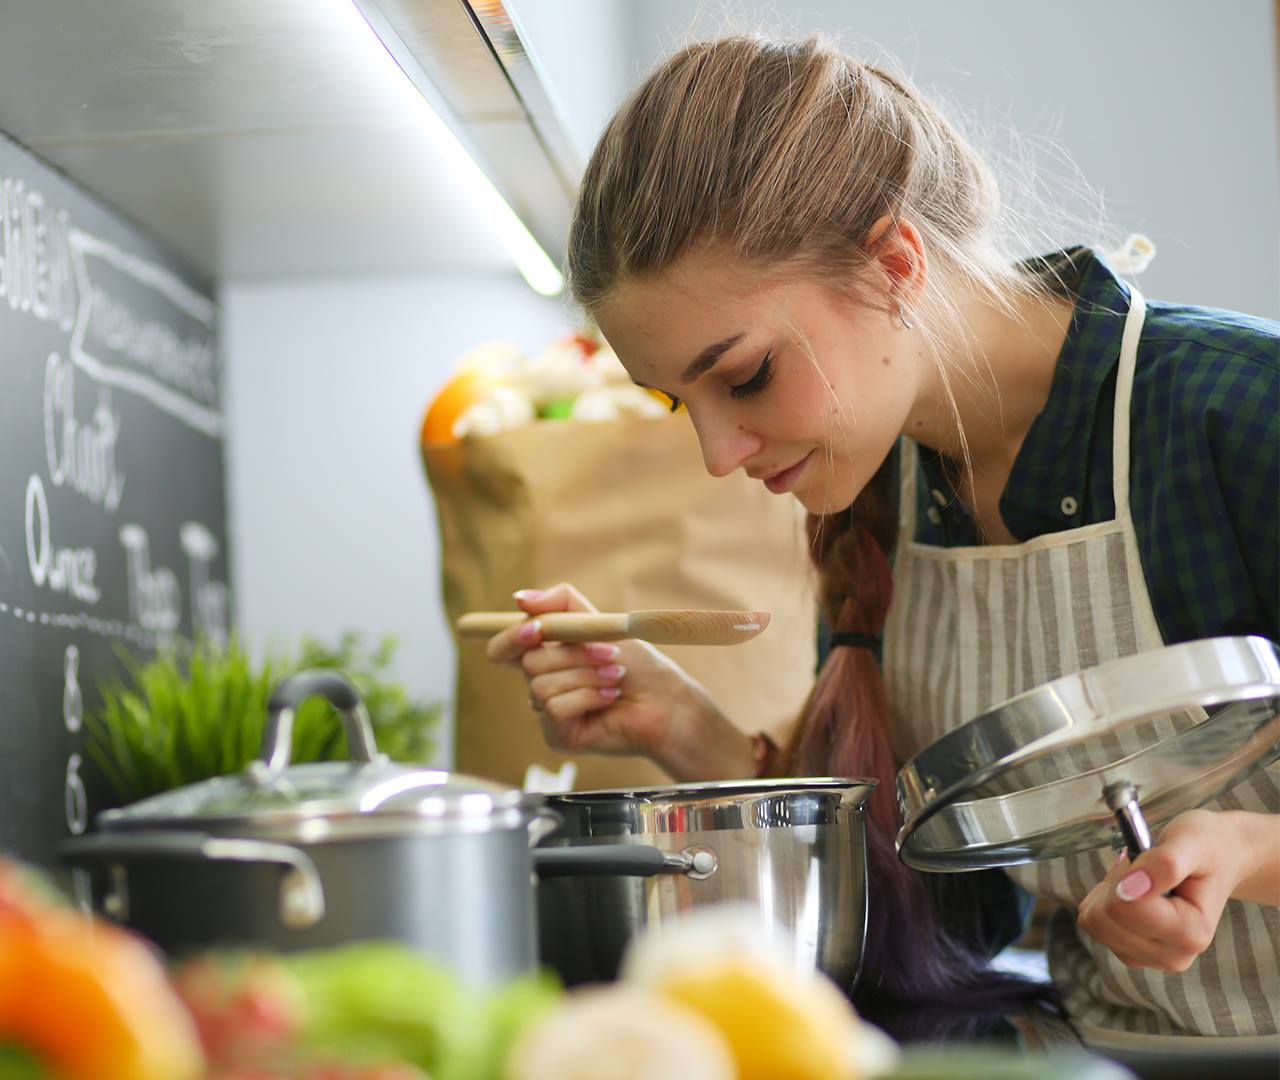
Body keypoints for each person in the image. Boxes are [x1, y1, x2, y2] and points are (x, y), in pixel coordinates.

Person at [482, 34, 1279, 1045]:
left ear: (893, 264)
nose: (717, 454)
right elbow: (950, 911)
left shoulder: (1235, 409)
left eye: (746, 374)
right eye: (676, 401)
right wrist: (685, 732)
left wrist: (1246, 849)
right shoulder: (881, 492)